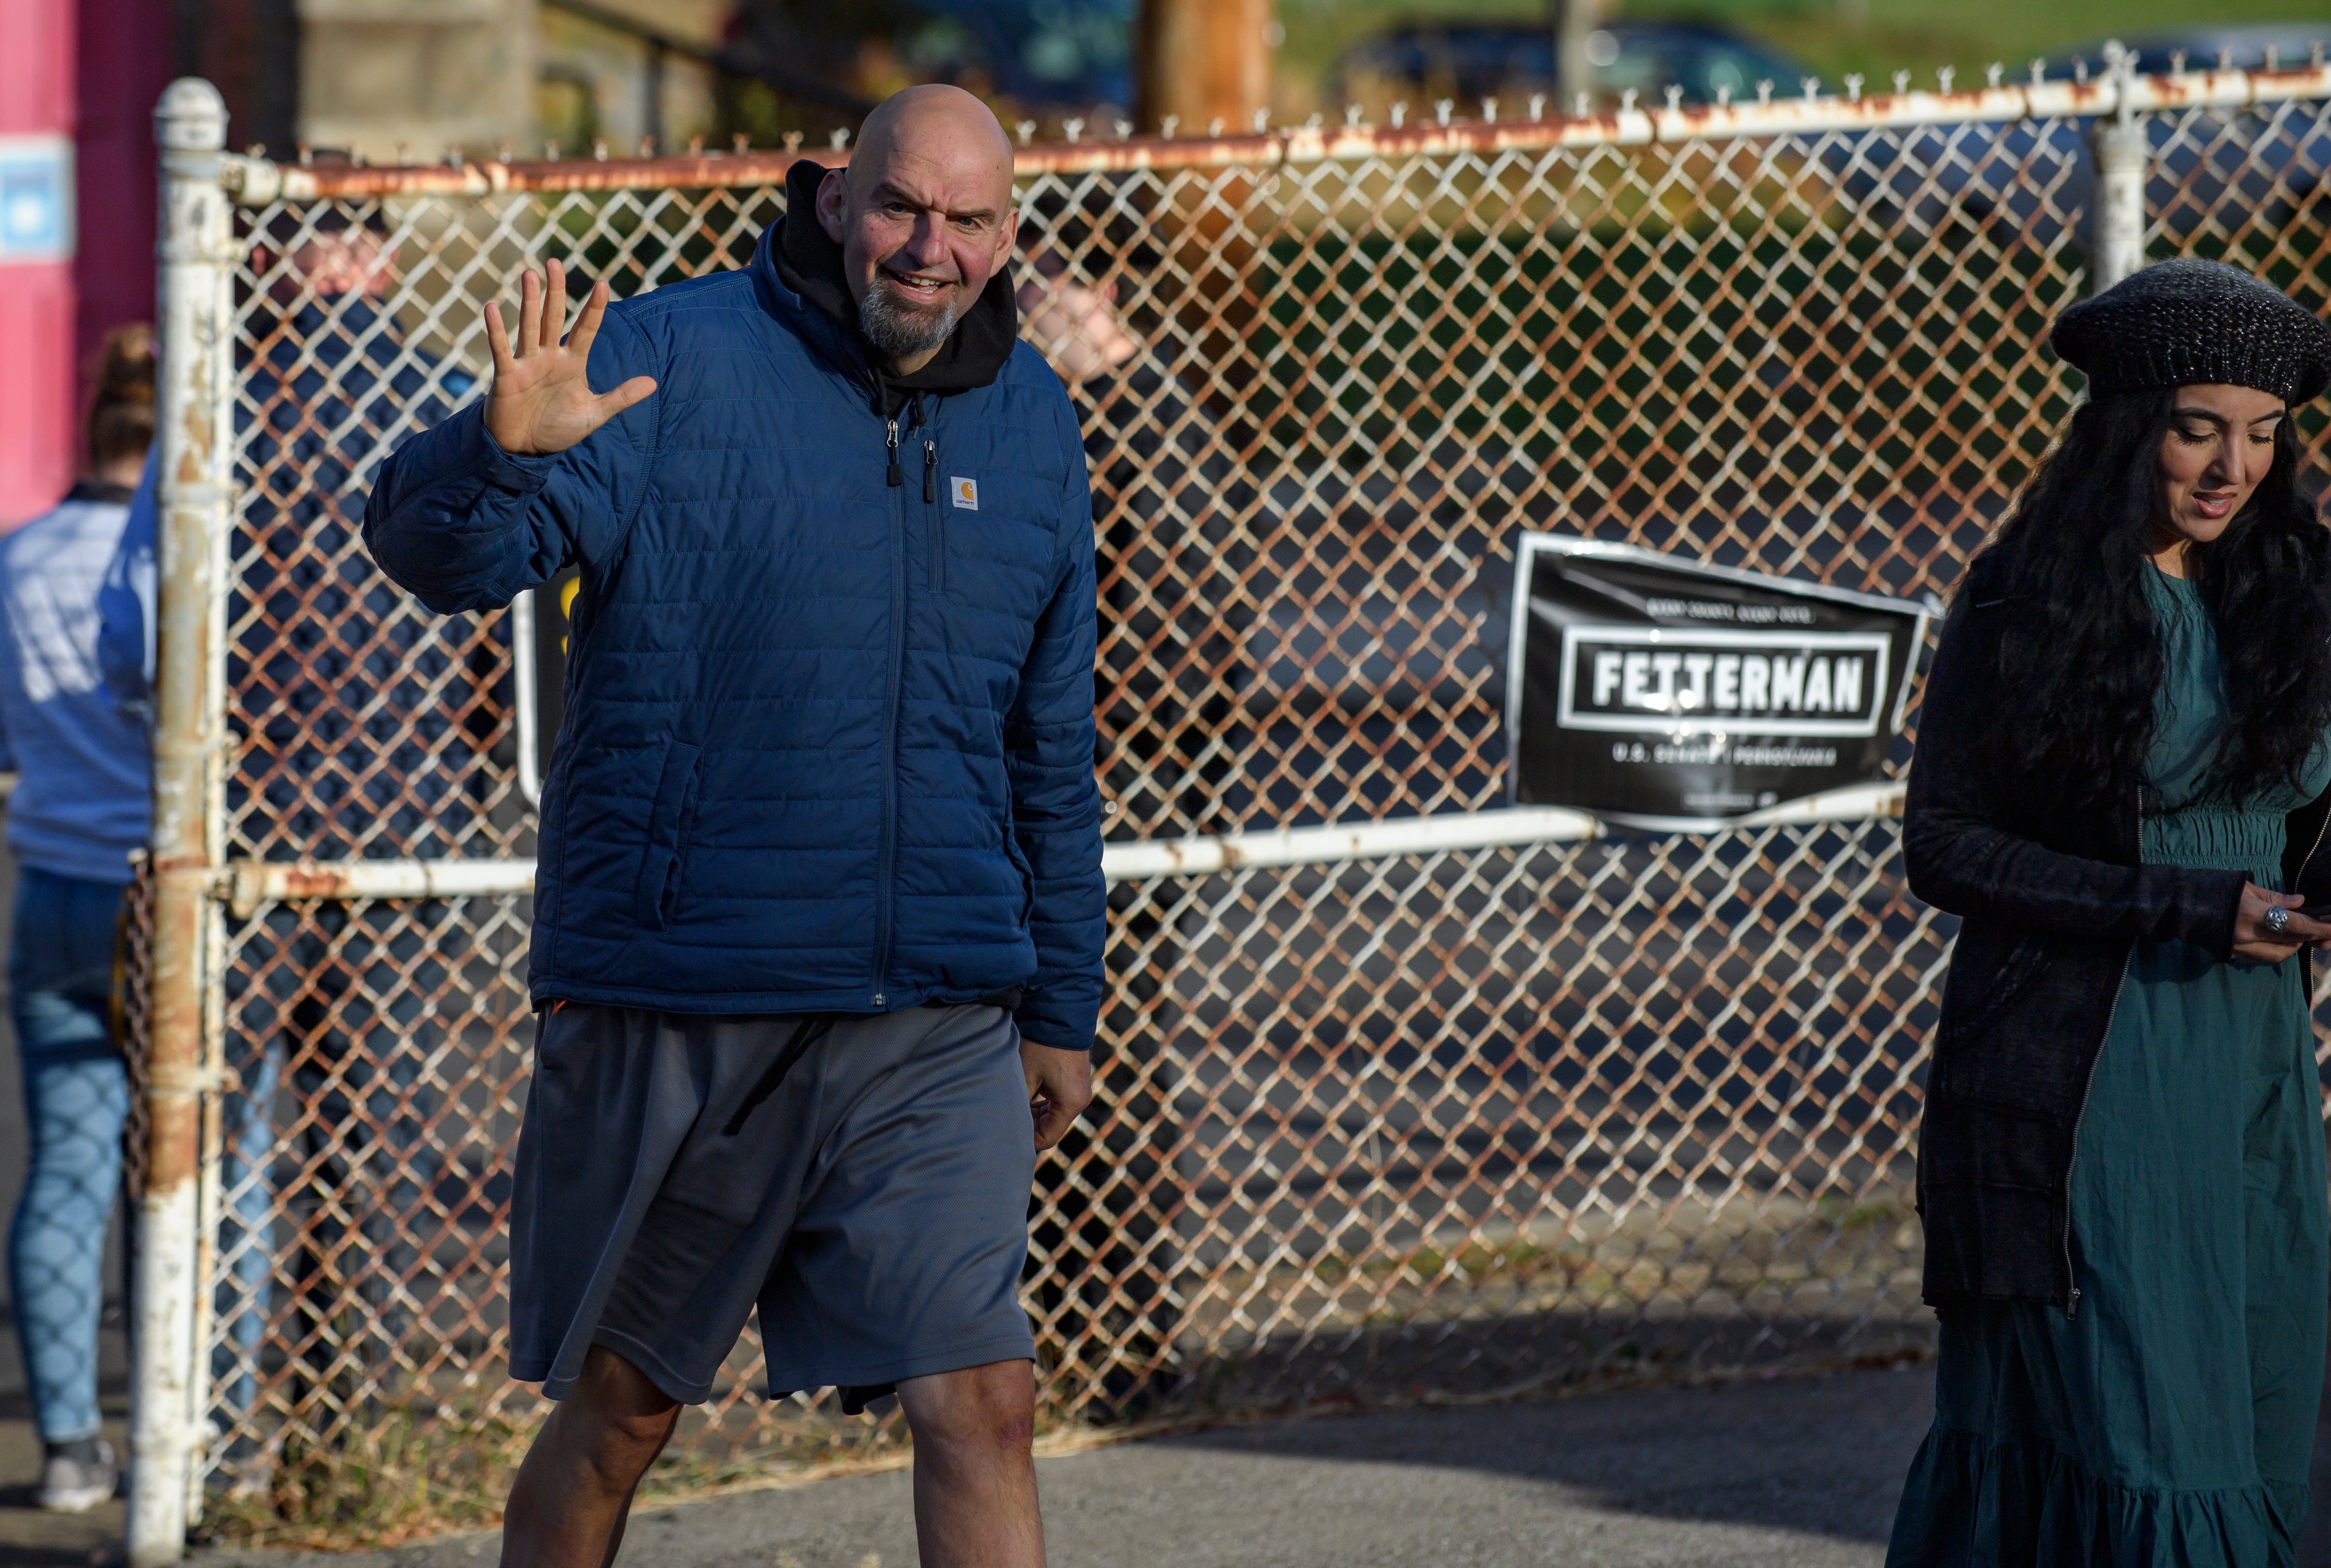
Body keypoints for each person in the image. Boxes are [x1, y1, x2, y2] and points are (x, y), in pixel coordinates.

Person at [362, 84, 1104, 1567]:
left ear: (1008, 235)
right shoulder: (664, 360)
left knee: (985, 1397)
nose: (928, 250)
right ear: (832, 198)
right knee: (626, 1412)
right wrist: (494, 452)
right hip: (691, 996)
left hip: (933, 1008)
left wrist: (1063, 998)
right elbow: (435, 556)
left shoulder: (1029, 417)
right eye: (900, 206)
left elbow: (1051, 738)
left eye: (969, 222)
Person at [1888, 258, 2331, 1565]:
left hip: (2251, 1074)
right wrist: (2178, 901)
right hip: (2091, 1076)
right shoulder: (2027, 595)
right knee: (2145, 1437)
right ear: (2126, 424)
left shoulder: (2298, 589)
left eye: (2262, 433)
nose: (2231, 466)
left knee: (2250, 1419)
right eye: (2199, 425)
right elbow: (1944, 844)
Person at [98, 204, 480, 1470]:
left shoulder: (227, 400)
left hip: (249, 808)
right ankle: (335, 1420)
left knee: (205, 1120)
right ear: (378, 257)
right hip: (404, 819)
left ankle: (203, 1423)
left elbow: (130, 631)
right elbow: (508, 626)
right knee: (365, 1139)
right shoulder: (453, 400)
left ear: (273, 261)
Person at [0, 325, 158, 1512]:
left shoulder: (18, 558)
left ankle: (64, 1442)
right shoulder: (188, 554)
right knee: (215, 1165)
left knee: (65, 1168)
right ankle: (195, 1424)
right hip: (168, 890)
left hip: (54, 881)